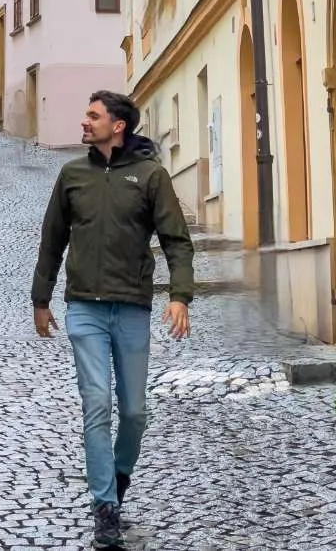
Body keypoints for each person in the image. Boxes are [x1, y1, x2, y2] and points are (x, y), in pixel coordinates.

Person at [31, 90, 194, 550]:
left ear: (118, 124)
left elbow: (177, 241)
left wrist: (180, 296)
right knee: (96, 404)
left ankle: (117, 481)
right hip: (84, 307)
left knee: (135, 412)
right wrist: (40, 300)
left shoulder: (150, 176)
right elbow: (51, 241)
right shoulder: (72, 175)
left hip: (132, 308)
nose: (85, 122)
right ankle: (104, 506)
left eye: (93, 115)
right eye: (86, 114)